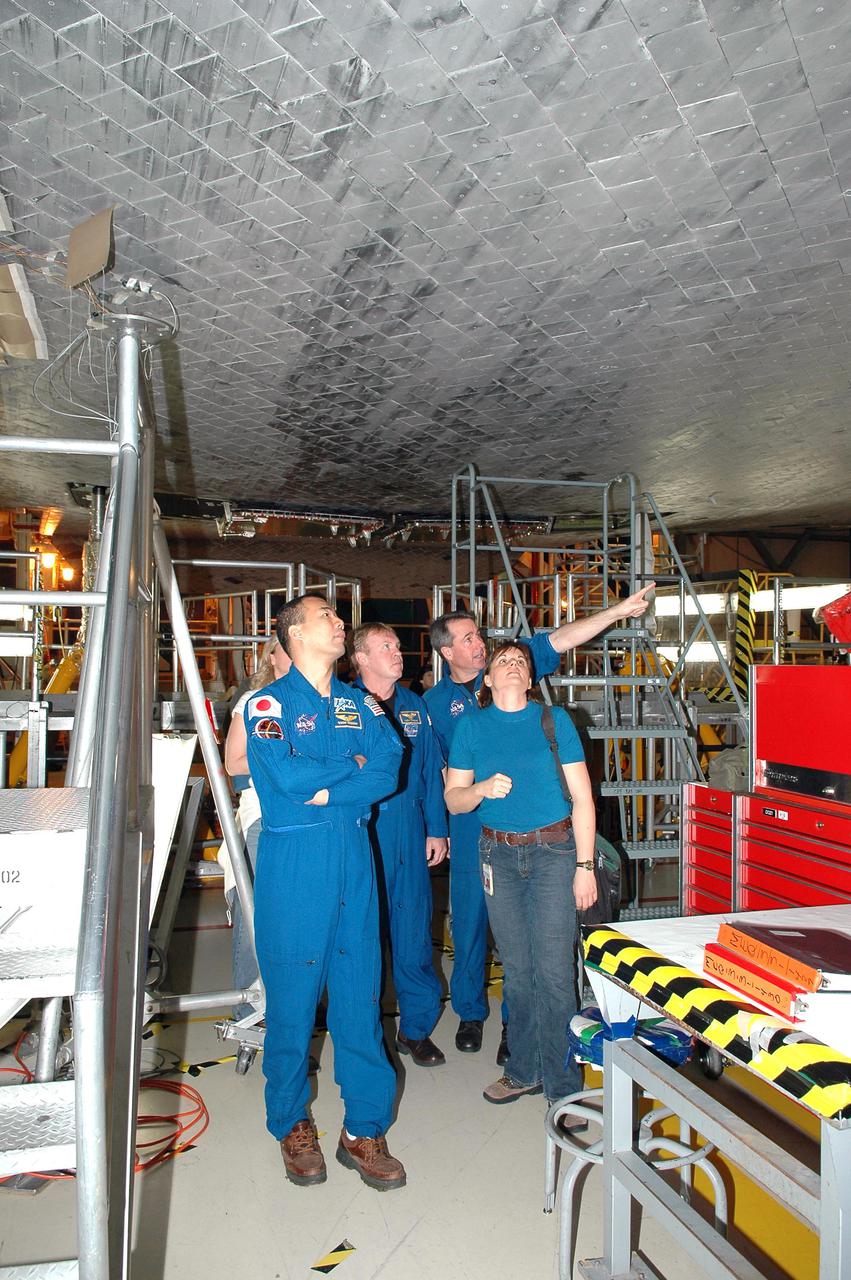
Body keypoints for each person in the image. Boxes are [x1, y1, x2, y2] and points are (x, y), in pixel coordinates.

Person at [424, 584, 654, 1058]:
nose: (480, 644)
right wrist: (437, 826)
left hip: (538, 832)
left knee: (529, 942)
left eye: (478, 637)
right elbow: (435, 775)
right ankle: (470, 1012)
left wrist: (618, 611)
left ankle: (517, 1027)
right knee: (468, 925)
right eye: (468, 639)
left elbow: (564, 638)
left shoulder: (515, 669)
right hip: (476, 829)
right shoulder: (434, 705)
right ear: (447, 651)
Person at [245, 595, 406, 1191]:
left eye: (339, 618)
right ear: (291, 632)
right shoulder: (265, 705)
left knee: (360, 1001)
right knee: (291, 1006)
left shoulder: (359, 703)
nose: (339, 622)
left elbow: (389, 769)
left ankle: (363, 1129)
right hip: (294, 863)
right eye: (325, 617)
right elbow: (285, 780)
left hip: (353, 860)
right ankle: (291, 1123)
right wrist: (351, 771)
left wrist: (332, 784)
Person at [444, 642, 596, 1106]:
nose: (512, 666)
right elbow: (454, 799)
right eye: (502, 662)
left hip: (554, 853)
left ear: (530, 679)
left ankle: (563, 1086)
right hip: (498, 858)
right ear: (486, 680)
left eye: (520, 663)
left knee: (553, 973)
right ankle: (523, 1069)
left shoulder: (554, 721)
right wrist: (482, 789)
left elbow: (584, 800)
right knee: (517, 969)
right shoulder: (471, 725)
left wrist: (585, 866)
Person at [350, 623, 449, 1067]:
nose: (397, 651)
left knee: (412, 932)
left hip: (409, 830)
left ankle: (415, 1029)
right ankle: (365, 1037)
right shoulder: (343, 704)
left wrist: (437, 828)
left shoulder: (415, 706)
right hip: (361, 828)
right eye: (384, 646)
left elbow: (429, 772)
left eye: (396, 644)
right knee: (361, 938)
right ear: (361, 659)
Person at [223, 635, 291, 1021]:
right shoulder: (255, 701)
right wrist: (288, 760)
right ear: (272, 655)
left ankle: (290, 1009)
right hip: (265, 818)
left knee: (298, 920)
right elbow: (233, 763)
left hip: (311, 817)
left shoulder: (324, 699)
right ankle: (250, 1013)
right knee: (257, 918)